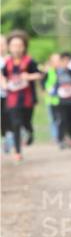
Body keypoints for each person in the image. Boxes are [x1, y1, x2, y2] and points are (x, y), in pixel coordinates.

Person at [1, 30, 42, 161]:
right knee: (15, 124)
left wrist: (28, 76)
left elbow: (39, 74)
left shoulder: (29, 61)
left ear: (24, 46)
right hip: (12, 99)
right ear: (9, 47)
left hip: (27, 99)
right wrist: (5, 85)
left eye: (19, 45)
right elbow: (2, 76)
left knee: (26, 122)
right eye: (13, 45)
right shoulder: (7, 63)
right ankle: (17, 151)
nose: (16, 48)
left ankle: (30, 132)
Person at [54, 52, 71, 149]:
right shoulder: (56, 73)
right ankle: (61, 139)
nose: (66, 63)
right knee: (62, 120)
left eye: (68, 61)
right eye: (64, 61)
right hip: (61, 100)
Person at [42, 53, 61, 143]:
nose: (57, 62)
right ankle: (55, 136)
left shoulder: (63, 71)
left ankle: (62, 135)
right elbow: (43, 83)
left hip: (62, 99)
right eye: (55, 60)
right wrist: (44, 91)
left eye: (58, 60)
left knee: (61, 118)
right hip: (51, 100)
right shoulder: (48, 72)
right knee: (53, 119)